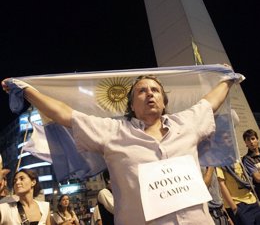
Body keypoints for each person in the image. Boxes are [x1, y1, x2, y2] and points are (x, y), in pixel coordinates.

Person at [1, 68, 237, 225]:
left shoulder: (187, 123)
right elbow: (64, 113)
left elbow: (210, 102)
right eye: (141, 91)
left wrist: (227, 78)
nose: (150, 94)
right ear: (132, 105)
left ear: (165, 102)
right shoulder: (113, 131)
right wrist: (27, 90)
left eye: (155, 90)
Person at [242, 129, 260, 200]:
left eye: (253, 139)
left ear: (257, 139)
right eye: (248, 140)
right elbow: (258, 178)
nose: (251, 142)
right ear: (246, 143)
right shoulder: (247, 159)